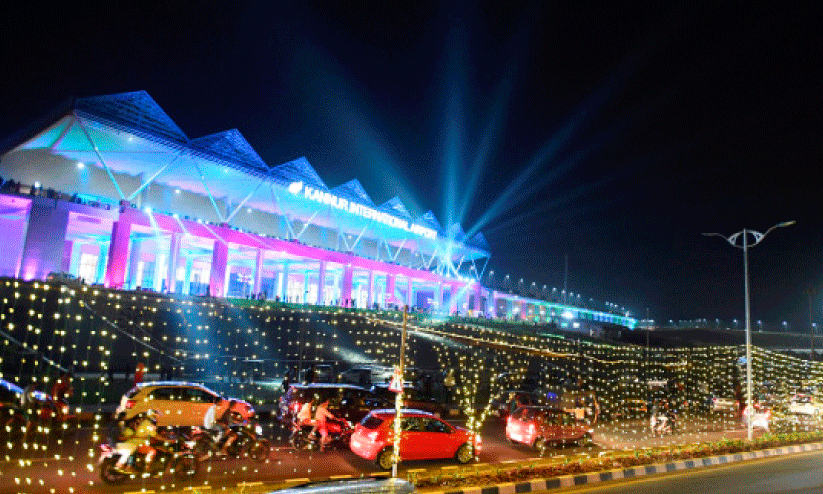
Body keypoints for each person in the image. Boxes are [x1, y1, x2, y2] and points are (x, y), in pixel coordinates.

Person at [114, 409, 162, 473]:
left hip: (133, 441)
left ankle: (131, 466)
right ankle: (147, 468)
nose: (156, 418)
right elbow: (154, 435)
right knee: (152, 451)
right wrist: (166, 439)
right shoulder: (147, 423)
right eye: (155, 416)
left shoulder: (140, 423)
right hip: (136, 443)